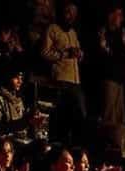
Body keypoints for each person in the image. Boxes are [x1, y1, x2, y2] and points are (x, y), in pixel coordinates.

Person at [41, 3, 86, 145]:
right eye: (68, 12)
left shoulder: (73, 33)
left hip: (75, 80)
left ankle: (75, 146)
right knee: (62, 116)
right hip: (60, 80)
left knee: (79, 115)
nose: (71, 16)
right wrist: (65, 54)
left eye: (74, 13)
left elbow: (78, 52)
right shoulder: (52, 29)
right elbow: (44, 53)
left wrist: (80, 54)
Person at [98, 6, 125, 125]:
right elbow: (105, 52)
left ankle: (118, 140)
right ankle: (108, 141)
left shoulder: (120, 33)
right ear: (111, 16)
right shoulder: (104, 32)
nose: (121, 18)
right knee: (109, 114)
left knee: (120, 115)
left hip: (119, 79)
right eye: (119, 14)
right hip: (109, 77)